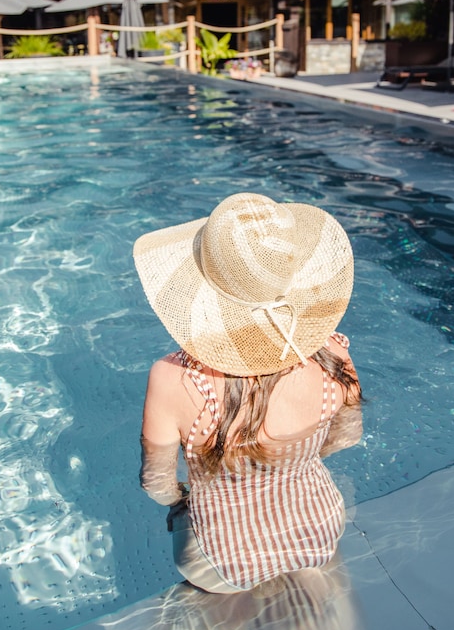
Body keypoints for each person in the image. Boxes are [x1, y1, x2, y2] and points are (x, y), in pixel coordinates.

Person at [135, 191, 362, 595]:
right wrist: (285, 459)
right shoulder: (333, 353)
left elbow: (157, 485)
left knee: (181, 514)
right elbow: (347, 437)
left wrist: (183, 499)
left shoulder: (173, 379)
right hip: (319, 533)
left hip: (219, 565)